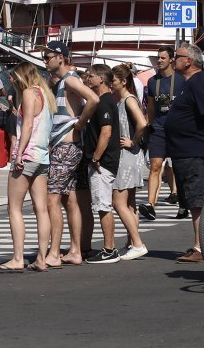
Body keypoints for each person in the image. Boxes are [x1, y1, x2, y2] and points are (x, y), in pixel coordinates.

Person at [164, 44, 204, 263]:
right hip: (184, 151)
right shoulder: (189, 83)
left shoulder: (198, 83)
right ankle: (201, 244)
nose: (173, 60)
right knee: (191, 201)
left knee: (196, 201)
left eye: (176, 57)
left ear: (188, 61)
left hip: (194, 151)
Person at [0, 63, 53, 272]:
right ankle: (42, 258)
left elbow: (27, 125)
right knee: (41, 208)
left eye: (14, 77)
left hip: (26, 155)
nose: (12, 81)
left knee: (14, 208)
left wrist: (18, 153)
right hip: (41, 156)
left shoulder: (28, 93)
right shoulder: (45, 95)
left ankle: (18, 258)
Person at [43, 41, 98, 267]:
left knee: (53, 198)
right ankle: (75, 249)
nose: (45, 60)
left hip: (66, 145)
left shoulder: (70, 79)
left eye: (48, 56)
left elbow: (93, 99)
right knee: (69, 198)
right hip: (68, 146)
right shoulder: (62, 82)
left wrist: (79, 124)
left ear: (61, 57)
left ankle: (55, 252)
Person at [80, 64, 122, 264]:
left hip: (103, 162)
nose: (88, 79)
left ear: (101, 80)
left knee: (103, 205)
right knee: (102, 204)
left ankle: (109, 249)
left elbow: (106, 132)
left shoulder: (104, 102)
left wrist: (96, 158)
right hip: (103, 161)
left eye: (91, 76)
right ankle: (108, 247)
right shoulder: (104, 101)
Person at [140, 46, 185, 221]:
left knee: (179, 168)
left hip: (177, 130)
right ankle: (151, 204)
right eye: (158, 58)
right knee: (156, 165)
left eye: (163, 58)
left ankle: (183, 203)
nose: (159, 61)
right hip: (158, 129)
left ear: (172, 60)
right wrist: (150, 126)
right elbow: (151, 107)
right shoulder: (152, 82)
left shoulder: (181, 80)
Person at [111, 64, 148, 261]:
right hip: (131, 155)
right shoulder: (122, 100)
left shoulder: (128, 99)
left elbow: (142, 123)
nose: (111, 84)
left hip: (128, 154)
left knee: (118, 202)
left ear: (123, 81)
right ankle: (131, 243)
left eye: (113, 80)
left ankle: (138, 243)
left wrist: (132, 140)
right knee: (130, 203)